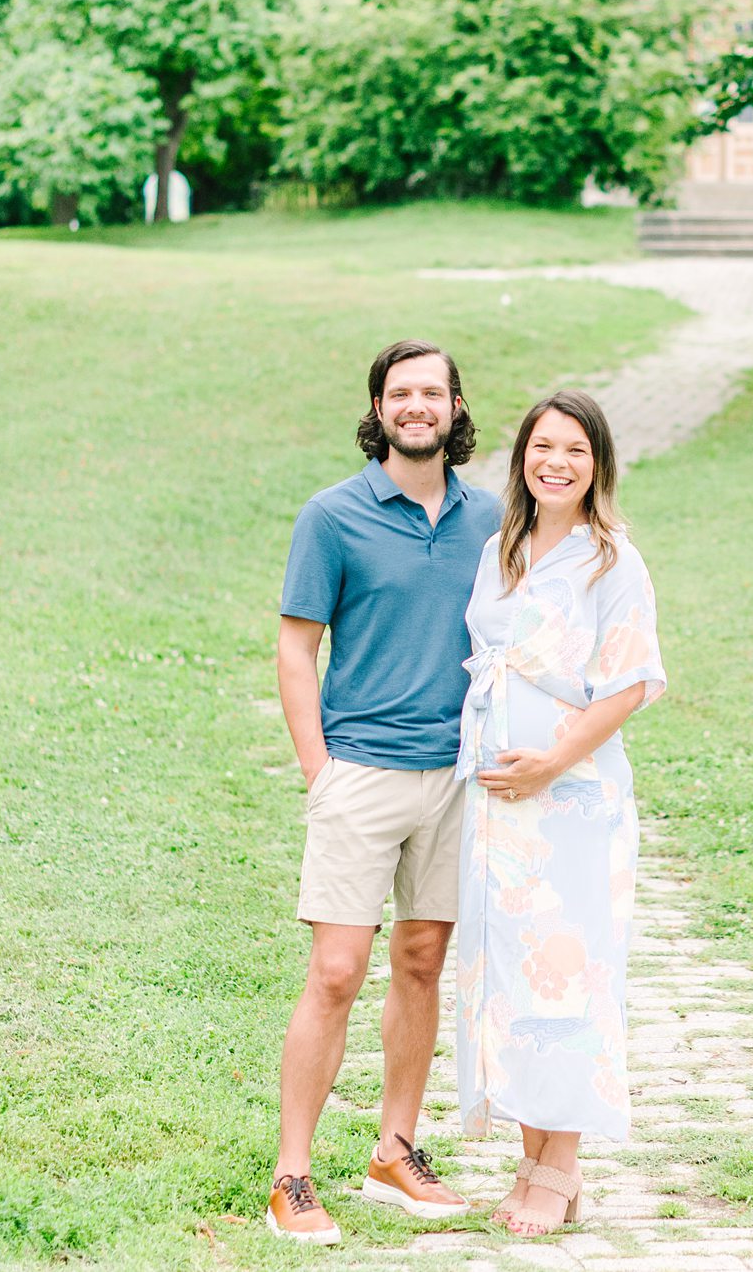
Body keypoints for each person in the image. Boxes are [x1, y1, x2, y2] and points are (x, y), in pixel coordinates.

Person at [267, 340, 501, 1244]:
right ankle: (292, 1174)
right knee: (336, 971)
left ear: (453, 406)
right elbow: (297, 649)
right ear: (379, 408)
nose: (416, 405)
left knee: (421, 961)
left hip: (456, 776)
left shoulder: (490, 516)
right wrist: (320, 772)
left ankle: (394, 1151)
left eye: (431, 392)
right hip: (360, 770)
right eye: (400, 392)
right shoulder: (332, 516)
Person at [456, 390, 666, 1237]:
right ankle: (536, 1159)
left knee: (568, 976)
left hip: (573, 804)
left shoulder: (613, 560)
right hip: (498, 812)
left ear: (598, 465)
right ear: (522, 459)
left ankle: (561, 1166)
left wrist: (550, 758)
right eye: (543, 446)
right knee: (511, 980)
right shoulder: (501, 550)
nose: (557, 462)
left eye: (575, 450)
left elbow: (628, 686)